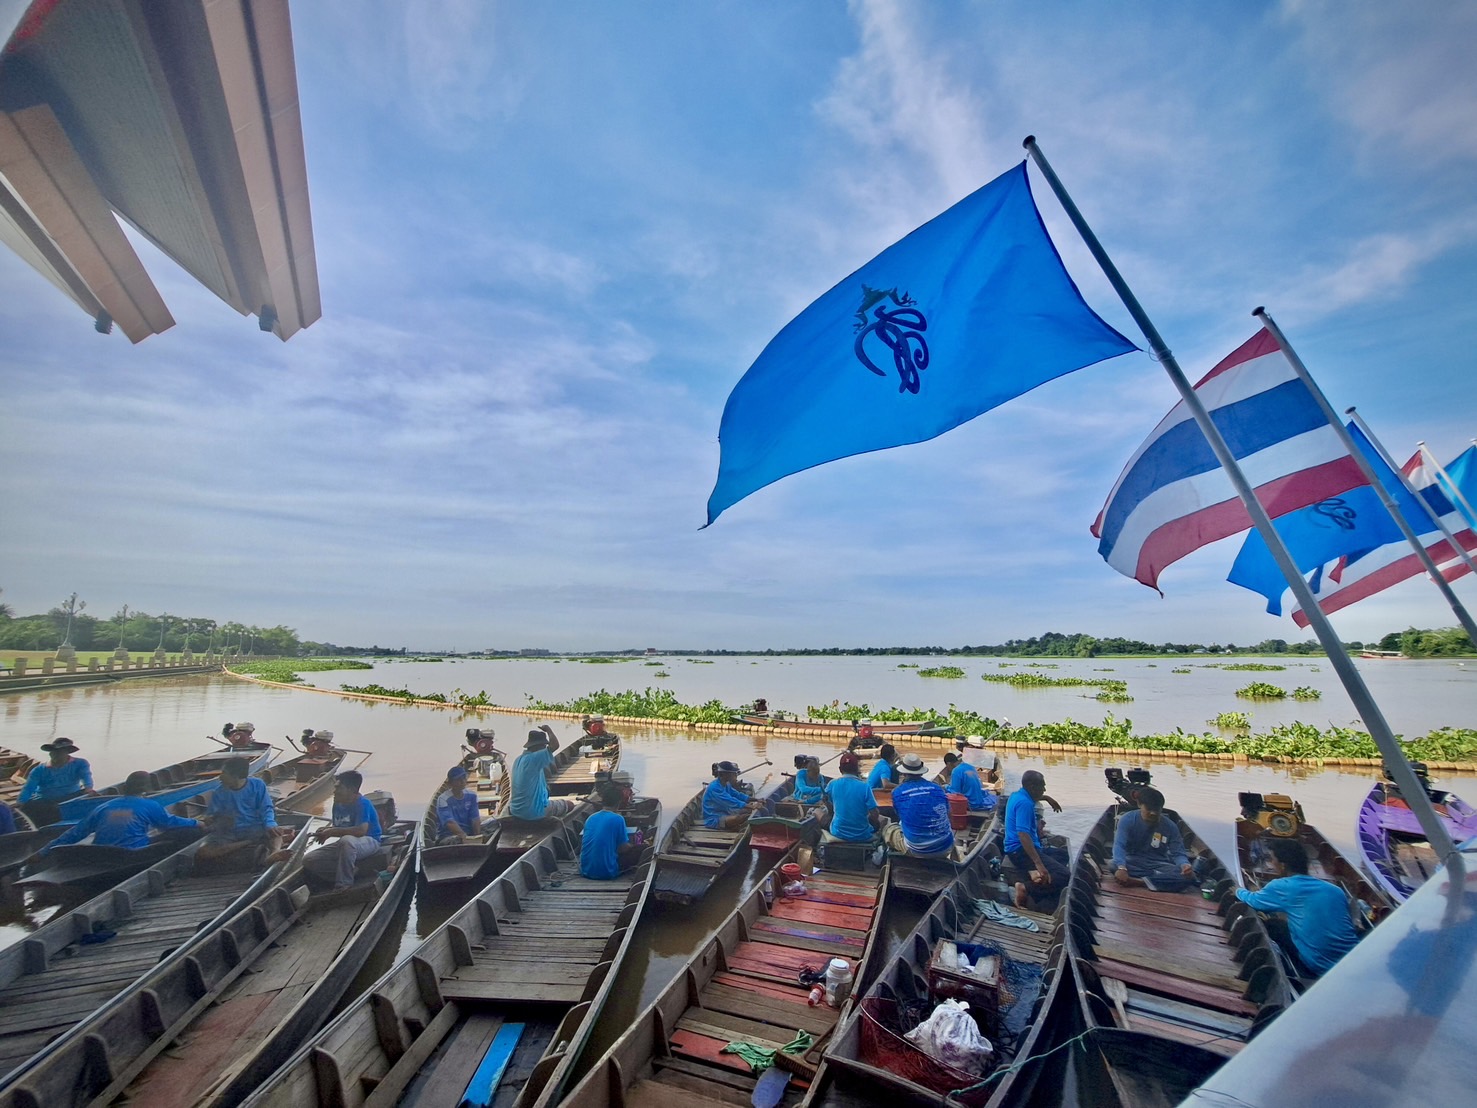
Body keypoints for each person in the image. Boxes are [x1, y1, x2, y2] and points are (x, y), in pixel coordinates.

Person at [1235, 836, 1361, 978]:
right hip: (1352, 961)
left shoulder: (1283, 886)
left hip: (1317, 965)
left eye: (1271, 859)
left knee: (1272, 925)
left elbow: (1253, 901)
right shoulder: (1336, 891)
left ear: (1282, 865)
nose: (1270, 863)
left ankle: (1275, 970)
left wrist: (1237, 890)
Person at [39, 771, 200, 853]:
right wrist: (197, 822)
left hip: (100, 852)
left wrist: (44, 851)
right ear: (147, 788)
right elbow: (169, 823)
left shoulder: (104, 806)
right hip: (131, 853)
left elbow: (76, 833)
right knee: (183, 832)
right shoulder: (149, 805)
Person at [196, 755, 282, 864]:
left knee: (276, 833)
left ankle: (275, 852)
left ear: (235, 776)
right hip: (230, 832)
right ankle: (247, 842)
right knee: (203, 852)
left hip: (254, 827)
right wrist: (209, 819)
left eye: (224, 773)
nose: (220, 777)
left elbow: (266, 808)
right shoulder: (219, 792)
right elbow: (211, 814)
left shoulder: (257, 785)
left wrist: (270, 823)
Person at [1004, 771, 1071, 909]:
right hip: (1020, 851)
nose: (1044, 789)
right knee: (1065, 876)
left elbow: (1034, 797)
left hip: (1021, 848)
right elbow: (1023, 835)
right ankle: (1025, 888)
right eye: (1042, 787)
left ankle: (1035, 876)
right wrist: (1038, 863)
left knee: (1063, 855)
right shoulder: (1025, 804)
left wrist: (1046, 798)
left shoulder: (1017, 795)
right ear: (1032, 787)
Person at [307, 771, 382, 891]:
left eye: (339, 788)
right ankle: (351, 871)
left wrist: (332, 832)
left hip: (370, 842)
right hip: (347, 844)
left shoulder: (362, 803)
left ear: (351, 789)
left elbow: (361, 831)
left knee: (347, 841)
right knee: (309, 860)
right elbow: (339, 828)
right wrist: (326, 830)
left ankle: (343, 884)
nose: (335, 791)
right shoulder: (337, 804)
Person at [1112, 787, 1196, 892]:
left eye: (1156, 810)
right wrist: (1121, 867)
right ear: (1139, 805)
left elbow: (1178, 853)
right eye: (1149, 809)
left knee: (1189, 876)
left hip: (1158, 864)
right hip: (1133, 862)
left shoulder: (1170, 826)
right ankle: (1159, 880)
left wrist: (1185, 865)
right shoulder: (1127, 820)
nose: (1153, 813)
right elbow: (1119, 846)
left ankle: (1140, 882)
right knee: (1113, 865)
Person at [882, 754, 957, 858]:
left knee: (888, 829)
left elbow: (901, 816)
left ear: (903, 773)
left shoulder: (897, 792)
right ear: (921, 771)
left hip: (917, 850)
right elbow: (950, 816)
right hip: (945, 847)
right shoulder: (938, 788)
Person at [18, 737, 95, 823]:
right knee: (29, 807)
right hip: (46, 799)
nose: (56, 754)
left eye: (60, 752)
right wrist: (21, 802)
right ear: (50, 753)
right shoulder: (39, 770)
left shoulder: (80, 763)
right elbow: (28, 788)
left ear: (67, 753)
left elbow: (86, 776)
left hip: (71, 796)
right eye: (54, 751)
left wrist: (89, 788)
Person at [508, 726, 574, 822]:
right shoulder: (534, 759)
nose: (545, 749)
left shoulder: (518, 759)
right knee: (570, 805)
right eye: (544, 746)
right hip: (533, 812)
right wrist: (548, 730)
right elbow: (555, 745)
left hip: (516, 811)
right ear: (538, 746)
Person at [580, 785, 643, 879]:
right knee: (643, 849)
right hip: (607, 872)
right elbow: (622, 848)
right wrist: (633, 846)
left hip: (586, 871)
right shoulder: (618, 819)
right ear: (619, 802)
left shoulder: (591, 818)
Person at [821, 752, 882, 843]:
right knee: (882, 820)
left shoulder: (832, 784)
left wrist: (829, 806)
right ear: (857, 768)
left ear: (840, 769)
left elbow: (825, 802)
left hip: (837, 832)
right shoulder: (865, 786)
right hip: (862, 834)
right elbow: (875, 814)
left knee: (817, 812)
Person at [702, 761, 761, 830]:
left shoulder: (726, 784)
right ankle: (736, 827)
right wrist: (752, 806)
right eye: (733, 773)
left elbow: (737, 795)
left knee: (747, 810)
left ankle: (735, 826)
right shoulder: (714, 788)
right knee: (738, 818)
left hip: (726, 812)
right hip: (713, 819)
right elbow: (730, 801)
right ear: (724, 774)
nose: (735, 775)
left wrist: (757, 800)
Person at [434, 766, 482, 844]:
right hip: (448, 836)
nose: (462, 781)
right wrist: (464, 837)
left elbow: (475, 818)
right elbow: (449, 822)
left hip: (469, 833)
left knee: (494, 825)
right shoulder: (443, 799)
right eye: (458, 779)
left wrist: (477, 836)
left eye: (463, 778)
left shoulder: (472, 796)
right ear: (450, 783)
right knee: (456, 840)